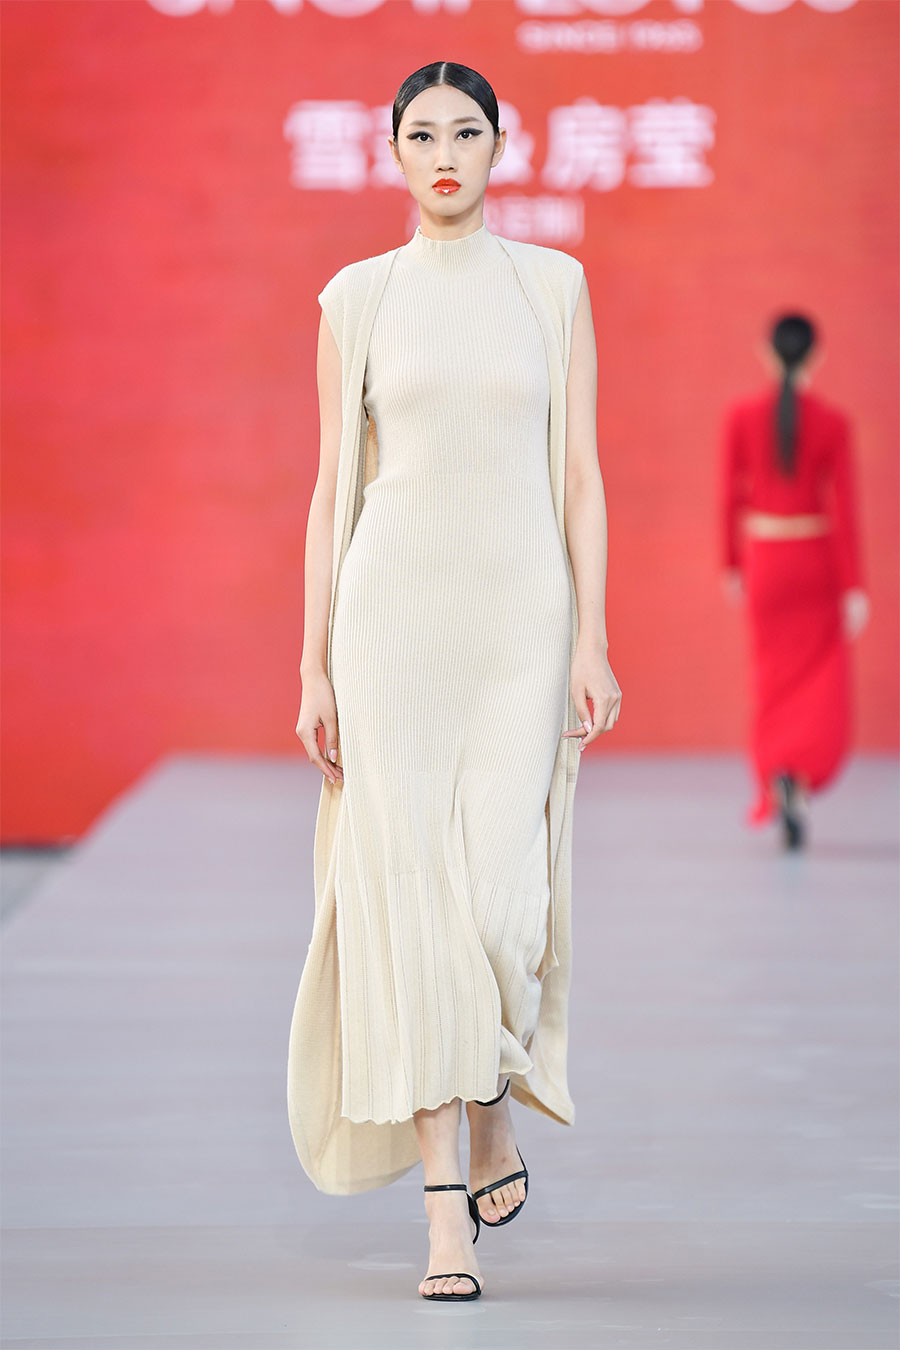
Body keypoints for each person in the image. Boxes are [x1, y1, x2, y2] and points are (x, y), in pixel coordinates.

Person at [289, 61, 621, 1302]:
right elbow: (335, 484)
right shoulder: (357, 297)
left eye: (466, 133)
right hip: (392, 621)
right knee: (415, 906)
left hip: (521, 621)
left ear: (500, 146)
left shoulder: (553, 286)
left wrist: (592, 636)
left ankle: (492, 1099)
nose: (445, 154)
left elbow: (579, 474)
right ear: (391, 151)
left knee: (503, 910)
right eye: (422, 134)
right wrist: (313, 659)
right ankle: (443, 1217)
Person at [719, 312, 869, 849]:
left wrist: (731, 564)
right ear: (816, 356)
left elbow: (729, 497)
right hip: (815, 561)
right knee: (819, 679)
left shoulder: (741, 417)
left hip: (766, 560)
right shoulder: (833, 422)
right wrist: (853, 586)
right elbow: (844, 510)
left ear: (766, 353)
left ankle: (777, 768)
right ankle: (799, 781)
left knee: (771, 676)